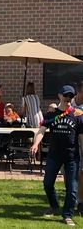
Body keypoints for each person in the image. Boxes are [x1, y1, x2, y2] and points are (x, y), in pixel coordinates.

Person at [30, 85, 83, 226]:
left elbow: (82, 138)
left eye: (71, 96)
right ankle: (54, 206)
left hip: (72, 157)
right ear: (59, 96)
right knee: (47, 184)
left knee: (72, 188)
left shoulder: (78, 115)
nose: (68, 98)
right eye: (66, 95)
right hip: (54, 155)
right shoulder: (52, 113)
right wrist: (36, 144)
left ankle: (67, 215)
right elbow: (41, 130)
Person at [71, 81, 83, 215]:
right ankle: (73, 200)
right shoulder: (69, 103)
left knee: (82, 174)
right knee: (72, 175)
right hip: (71, 146)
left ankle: (80, 202)